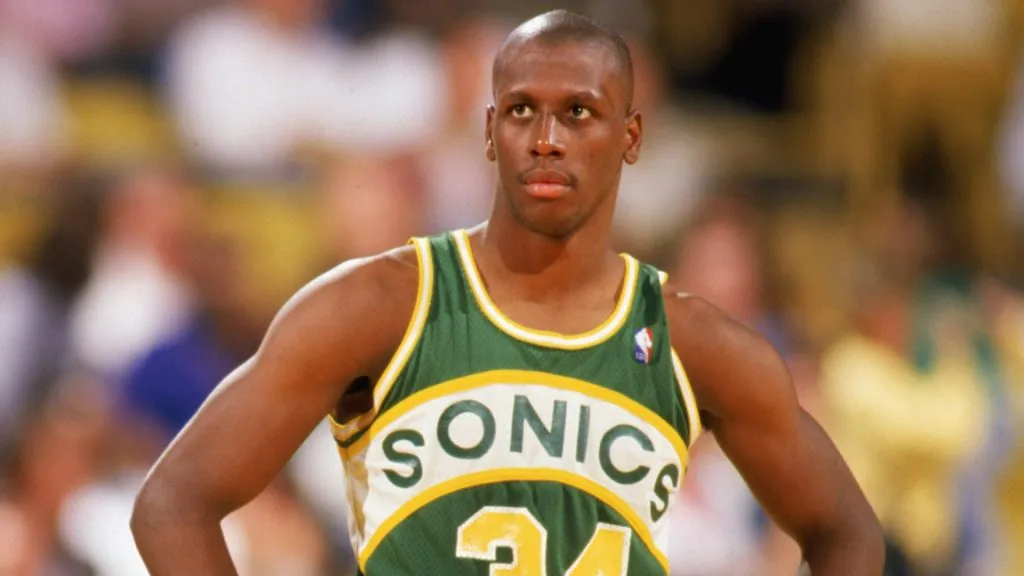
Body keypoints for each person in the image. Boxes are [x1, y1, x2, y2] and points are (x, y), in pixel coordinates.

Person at [131, 9, 883, 575]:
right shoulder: (378, 305)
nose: (546, 138)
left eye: (579, 112)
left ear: (630, 136)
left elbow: (846, 533)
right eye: (523, 110)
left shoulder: (694, 342)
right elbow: (172, 506)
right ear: (490, 131)